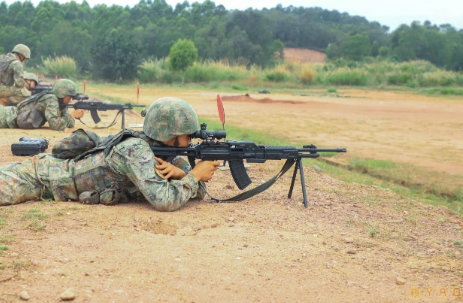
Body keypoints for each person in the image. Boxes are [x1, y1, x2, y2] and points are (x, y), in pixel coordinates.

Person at [0, 97, 221, 211]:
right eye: (187, 135)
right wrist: (194, 176)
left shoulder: (167, 152)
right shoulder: (136, 150)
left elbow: (198, 192)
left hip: (50, 179)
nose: (190, 140)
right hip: (40, 177)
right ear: (170, 133)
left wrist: (183, 176)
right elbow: (164, 201)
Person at [0, 78, 84, 131]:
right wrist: (72, 116)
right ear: (62, 93)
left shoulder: (60, 103)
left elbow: (70, 124)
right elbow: (55, 125)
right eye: (70, 96)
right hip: (5, 117)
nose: (71, 100)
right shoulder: (51, 99)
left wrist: (69, 116)